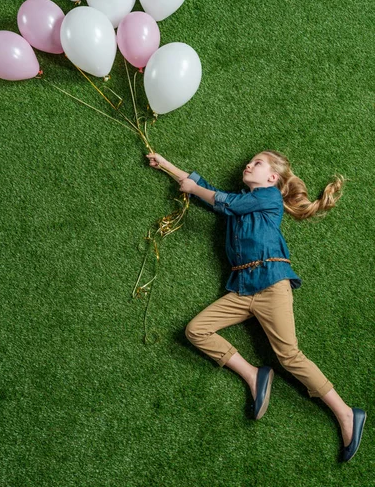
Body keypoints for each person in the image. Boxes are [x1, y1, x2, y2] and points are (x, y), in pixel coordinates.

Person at [146, 150, 366, 462]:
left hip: (271, 284)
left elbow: (222, 201)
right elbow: (210, 194)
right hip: (243, 289)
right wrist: (166, 164)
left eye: (257, 163)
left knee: (289, 356)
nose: (249, 165)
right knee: (197, 330)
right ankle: (253, 375)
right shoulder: (238, 202)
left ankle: (346, 414)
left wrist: (197, 190)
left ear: (272, 179)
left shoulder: (269, 198)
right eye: (250, 162)